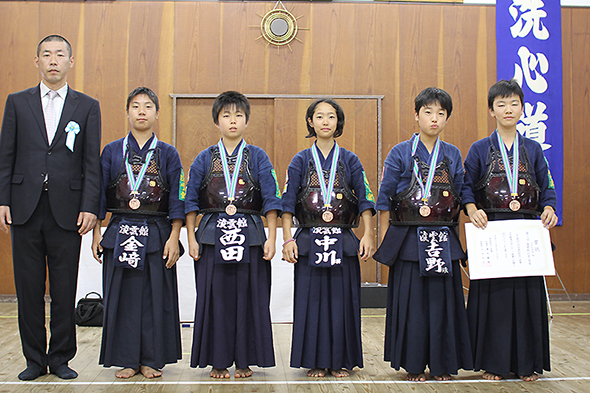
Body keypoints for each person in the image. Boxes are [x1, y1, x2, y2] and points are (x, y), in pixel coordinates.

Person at [0, 35, 101, 381]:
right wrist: (3, 198)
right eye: (46, 55)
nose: (53, 60)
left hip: (67, 210)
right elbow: (6, 156)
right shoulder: (17, 102)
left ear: (71, 62)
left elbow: (91, 162)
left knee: (63, 287)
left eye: (60, 55)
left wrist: (90, 206)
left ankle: (60, 358)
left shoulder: (86, 106)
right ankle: (33, 359)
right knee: (28, 288)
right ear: (37, 61)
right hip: (24, 208)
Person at [373, 87, 472, 381]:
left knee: (443, 304)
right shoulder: (401, 152)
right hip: (408, 238)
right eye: (428, 112)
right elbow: (385, 197)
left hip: (443, 236)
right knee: (413, 304)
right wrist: (381, 237)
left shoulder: (452, 153)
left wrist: (472, 207)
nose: (434, 119)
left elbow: (463, 190)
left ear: (446, 119)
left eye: (441, 114)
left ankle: (442, 365)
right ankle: (414, 364)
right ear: (416, 115)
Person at [463, 79, 558, 382]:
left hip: (526, 230)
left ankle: (527, 363)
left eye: (513, 103)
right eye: (501, 104)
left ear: (522, 108)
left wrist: (549, 207)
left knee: (527, 296)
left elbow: (547, 186)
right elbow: (466, 188)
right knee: (496, 299)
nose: (508, 109)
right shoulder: (479, 149)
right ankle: (494, 363)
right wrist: (472, 209)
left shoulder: (533, 149)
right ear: (491, 110)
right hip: (491, 229)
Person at [185, 91, 282, 379]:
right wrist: (190, 238)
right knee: (215, 298)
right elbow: (189, 200)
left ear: (246, 120)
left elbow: (272, 200)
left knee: (250, 298)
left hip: (250, 235)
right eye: (226, 115)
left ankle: (244, 360)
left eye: (238, 115)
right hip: (212, 236)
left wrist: (272, 238)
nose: (232, 120)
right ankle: (217, 360)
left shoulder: (258, 156)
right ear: (217, 120)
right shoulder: (204, 158)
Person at [91, 87, 183, 379]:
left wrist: (174, 236)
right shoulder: (112, 150)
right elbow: (98, 195)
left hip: (157, 230)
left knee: (155, 296)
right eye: (135, 106)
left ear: (157, 113)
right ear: (128, 112)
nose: (141, 112)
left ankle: (151, 358)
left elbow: (178, 199)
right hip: (119, 229)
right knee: (123, 297)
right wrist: (97, 232)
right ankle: (126, 358)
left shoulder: (168, 153)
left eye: (147, 107)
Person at [282, 98, 376, 378]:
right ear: (310, 121)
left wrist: (367, 234)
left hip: (343, 239)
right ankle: (316, 360)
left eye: (331, 117)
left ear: (338, 122)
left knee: (341, 302)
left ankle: (340, 360)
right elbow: (287, 203)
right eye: (319, 116)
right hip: (309, 241)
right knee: (311, 302)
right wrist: (288, 239)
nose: (325, 121)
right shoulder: (300, 160)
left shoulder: (350, 160)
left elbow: (365, 200)